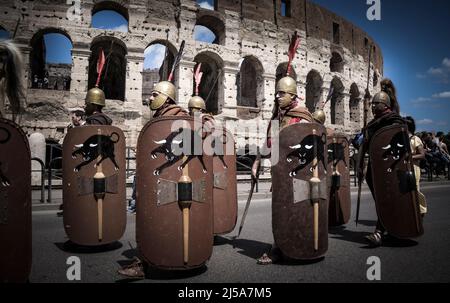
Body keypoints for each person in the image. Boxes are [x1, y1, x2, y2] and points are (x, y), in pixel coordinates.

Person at [118, 80, 188, 279]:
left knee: (156, 220)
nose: (149, 98)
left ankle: (146, 262)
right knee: (154, 220)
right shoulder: (160, 119)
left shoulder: (181, 119)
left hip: (171, 182)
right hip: (157, 179)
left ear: (166, 98)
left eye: (154, 94)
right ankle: (151, 258)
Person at [251, 75, 313, 265]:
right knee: (281, 210)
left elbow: (311, 147)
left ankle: (301, 244)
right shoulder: (277, 118)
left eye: (282, 93)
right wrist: (258, 161)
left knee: (300, 210)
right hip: (280, 173)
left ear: (293, 95)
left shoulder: (303, 118)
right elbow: (269, 144)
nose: (277, 96)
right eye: (276, 93)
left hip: (300, 173)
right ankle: (279, 247)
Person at [359, 78, 405, 247]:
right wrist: (360, 165)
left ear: (384, 105)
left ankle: (379, 232)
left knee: (386, 198)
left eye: (375, 104)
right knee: (380, 199)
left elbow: (399, 142)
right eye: (371, 104)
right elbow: (367, 144)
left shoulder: (394, 120)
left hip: (389, 167)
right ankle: (392, 228)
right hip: (374, 166)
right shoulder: (372, 123)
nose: (372, 107)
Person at [405, 116, 427, 216]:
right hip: (404, 168)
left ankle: (421, 210)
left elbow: (422, 155)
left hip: (414, 167)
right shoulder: (403, 139)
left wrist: (409, 157)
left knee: (415, 189)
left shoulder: (415, 139)